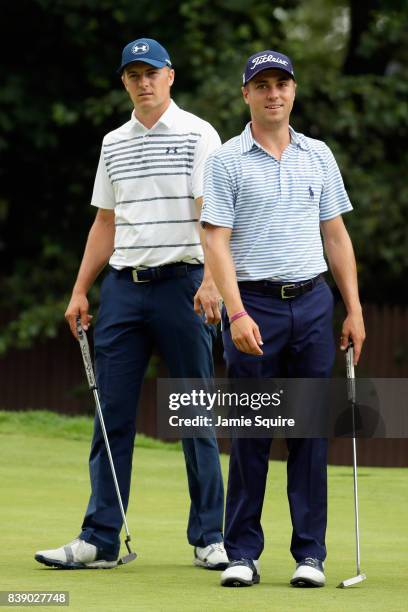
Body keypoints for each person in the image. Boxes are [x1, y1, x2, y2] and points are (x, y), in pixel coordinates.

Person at [35, 37, 228, 570]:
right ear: (124, 82)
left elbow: (213, 216)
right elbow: (105, 222)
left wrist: (212, 281)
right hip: (123, 288)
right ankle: (98, 537)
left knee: (193, 414)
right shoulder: (113, 142)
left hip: (185, 285)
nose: (143, 82)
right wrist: (79, 288)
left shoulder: (198, 133)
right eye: (133, 74)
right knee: (109, 416)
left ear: (170, 76)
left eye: (152, 72)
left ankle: (210, 537)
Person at [201, 49, 365, 587]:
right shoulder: (225, 159)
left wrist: (354, 309)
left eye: (282, 84)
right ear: (245, 93)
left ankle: (310, 554)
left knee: (309, 433)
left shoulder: (319, 155)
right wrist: (237, 311)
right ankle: (242, 552)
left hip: (314, 304)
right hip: (255, 305)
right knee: (252, 432)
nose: (274, 93)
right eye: (263, 84)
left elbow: (336, 236)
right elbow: (216, 242)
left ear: (294, 91)